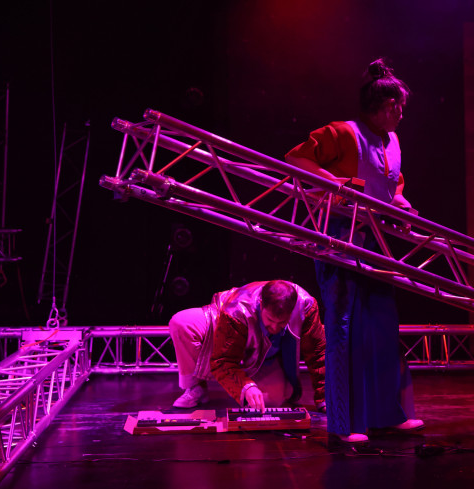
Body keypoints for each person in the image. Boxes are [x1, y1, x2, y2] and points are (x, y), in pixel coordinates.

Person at [285, 58, 423, 443]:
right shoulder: (343, 132)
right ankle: (347, 424)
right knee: (345, 327)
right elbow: (296, 158)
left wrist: (401, 202)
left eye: (401, 107)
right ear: (380, 105)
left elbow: (393, 185)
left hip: (376, 242)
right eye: (396, 106)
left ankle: (388, 413)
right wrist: (339, 184)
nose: (400, 113)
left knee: (383, 325)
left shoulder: (392, 141)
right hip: (338, 236)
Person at [168, 280, 326, 413]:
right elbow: (223, 360)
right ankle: (195, 388)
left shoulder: (306, 307)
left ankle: (248, 381)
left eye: (282, 323)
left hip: (267, 356)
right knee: (182, 323)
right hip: (225, 326)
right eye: (270, 320)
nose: (275, 327)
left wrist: (324, 398)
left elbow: (318, 353)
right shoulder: (236, 311)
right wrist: (246, 386)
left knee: (267, 403)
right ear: (261, 304)